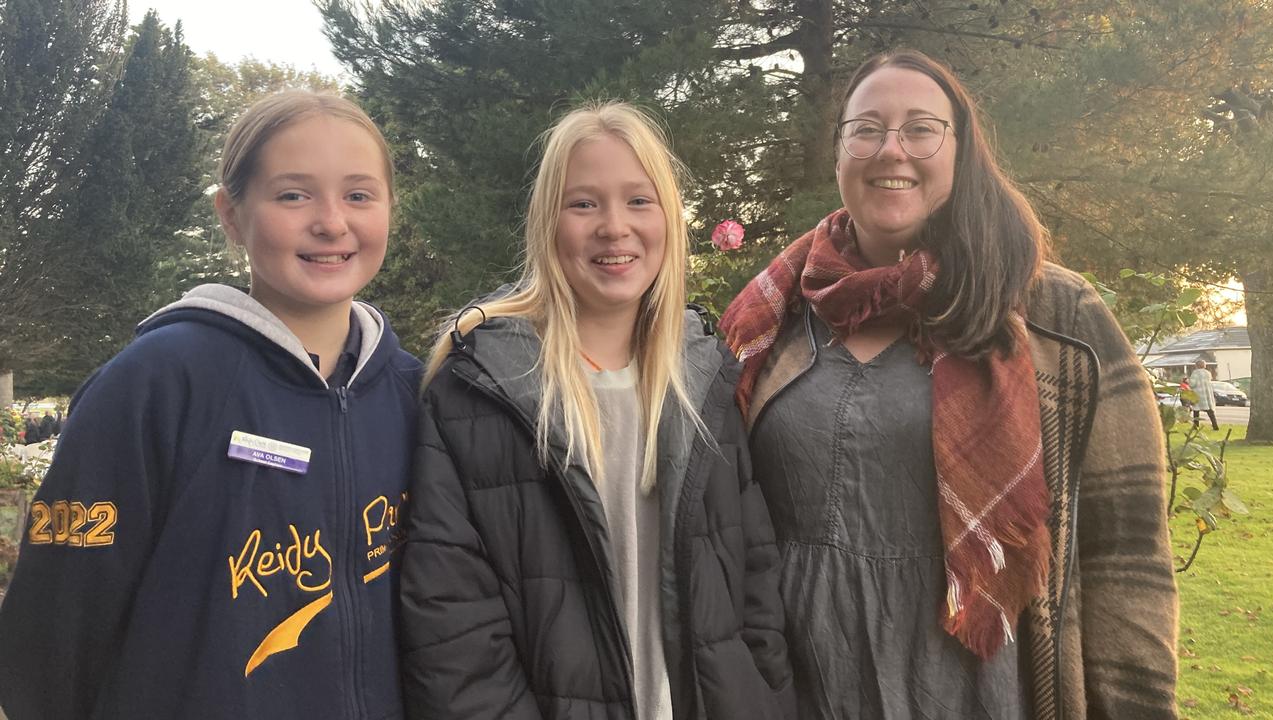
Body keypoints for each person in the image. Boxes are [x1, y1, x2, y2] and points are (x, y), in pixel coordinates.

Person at [720, 50, 1177, 720]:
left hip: (979, 692)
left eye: (921, 128)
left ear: (962, 150)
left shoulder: (1055, 317)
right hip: (799, 685)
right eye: (866, 129)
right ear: (840, 150)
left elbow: (1127, 554)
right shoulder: (775, 314)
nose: (891, 150)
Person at [0, 91, 421, 719]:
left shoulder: (415, 393)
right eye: (293, 195)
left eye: (359, 195)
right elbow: (56, 628)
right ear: (231, 214)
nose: (332, 222)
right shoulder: (155, 384)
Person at [399, 101, 795, 719]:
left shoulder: (704, 381)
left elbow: (756, 585)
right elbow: (453, 629)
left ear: (669, 218)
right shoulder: (479, 390)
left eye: (639, 201)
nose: (615, 226)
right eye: (584, 203)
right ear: (547, 223)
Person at [1188, 359, 1219, 430]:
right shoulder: (1208, 373)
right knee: (1210, 411)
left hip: (1198, 394)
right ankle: (1215, 426)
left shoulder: (1195, 373)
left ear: (1196, 365)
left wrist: (1188, 381)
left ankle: (1196, 426)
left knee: (1196, 410)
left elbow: (1192, 384)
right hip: (1207, 394)